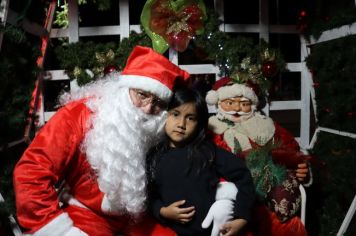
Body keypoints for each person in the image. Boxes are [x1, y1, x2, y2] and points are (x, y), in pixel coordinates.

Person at [12, 46, 190, 236]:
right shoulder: (79, 115)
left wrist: (224, 193)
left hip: (135, 218)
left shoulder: (159, 125)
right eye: (142, 95)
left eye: (157, 103)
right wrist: (59, 230)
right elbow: (30, 173)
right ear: (125, 88)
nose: (147, 109)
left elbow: (205, 142)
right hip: (87, 214)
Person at [205, 77, 312, 236]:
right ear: (218, 102)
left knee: (287, 227)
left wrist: (302, 169)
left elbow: (291, 151)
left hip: (271, 202)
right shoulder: (210, 129)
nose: (237, 109)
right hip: (230, 200)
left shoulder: (267, 125)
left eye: (244, 104)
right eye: (230, 103)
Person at [146, 88, 256, 236]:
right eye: (175, 114)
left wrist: (242, 217)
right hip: (171, 231)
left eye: (190, 118)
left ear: (199, 123)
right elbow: (148, 196)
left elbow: (243, 176)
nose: (181, 124)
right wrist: (163, 211)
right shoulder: (154, 156)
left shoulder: (207, 151)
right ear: (164, 115)